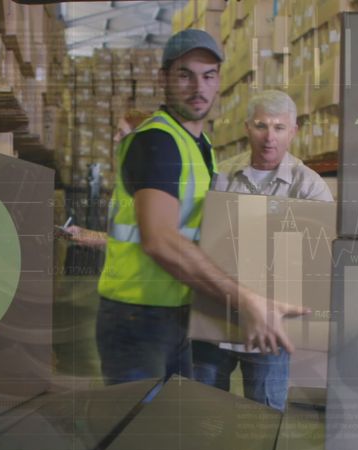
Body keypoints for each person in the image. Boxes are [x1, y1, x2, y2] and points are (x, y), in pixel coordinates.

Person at [92, 30, 309, 385]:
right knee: (139, 419)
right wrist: (246, 300)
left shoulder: (199, 144)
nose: (198, 87)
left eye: (208, 76)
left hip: (174, 312)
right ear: (163, 79)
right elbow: (159, 239)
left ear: (219, 82)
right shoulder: (158, 141)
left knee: (171, 416)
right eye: (185, 75)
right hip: (138, 317)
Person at [192, 89, 334, 411]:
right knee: (204, 410)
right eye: (261, 126)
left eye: (279, 127)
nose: (270, 137)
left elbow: (319, 257)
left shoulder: (308, 186)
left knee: (263, 417)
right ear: (247, 127)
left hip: (271, 328)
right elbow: (199, 239)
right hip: (215, 318)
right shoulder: (221, 177)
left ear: (294, 131)